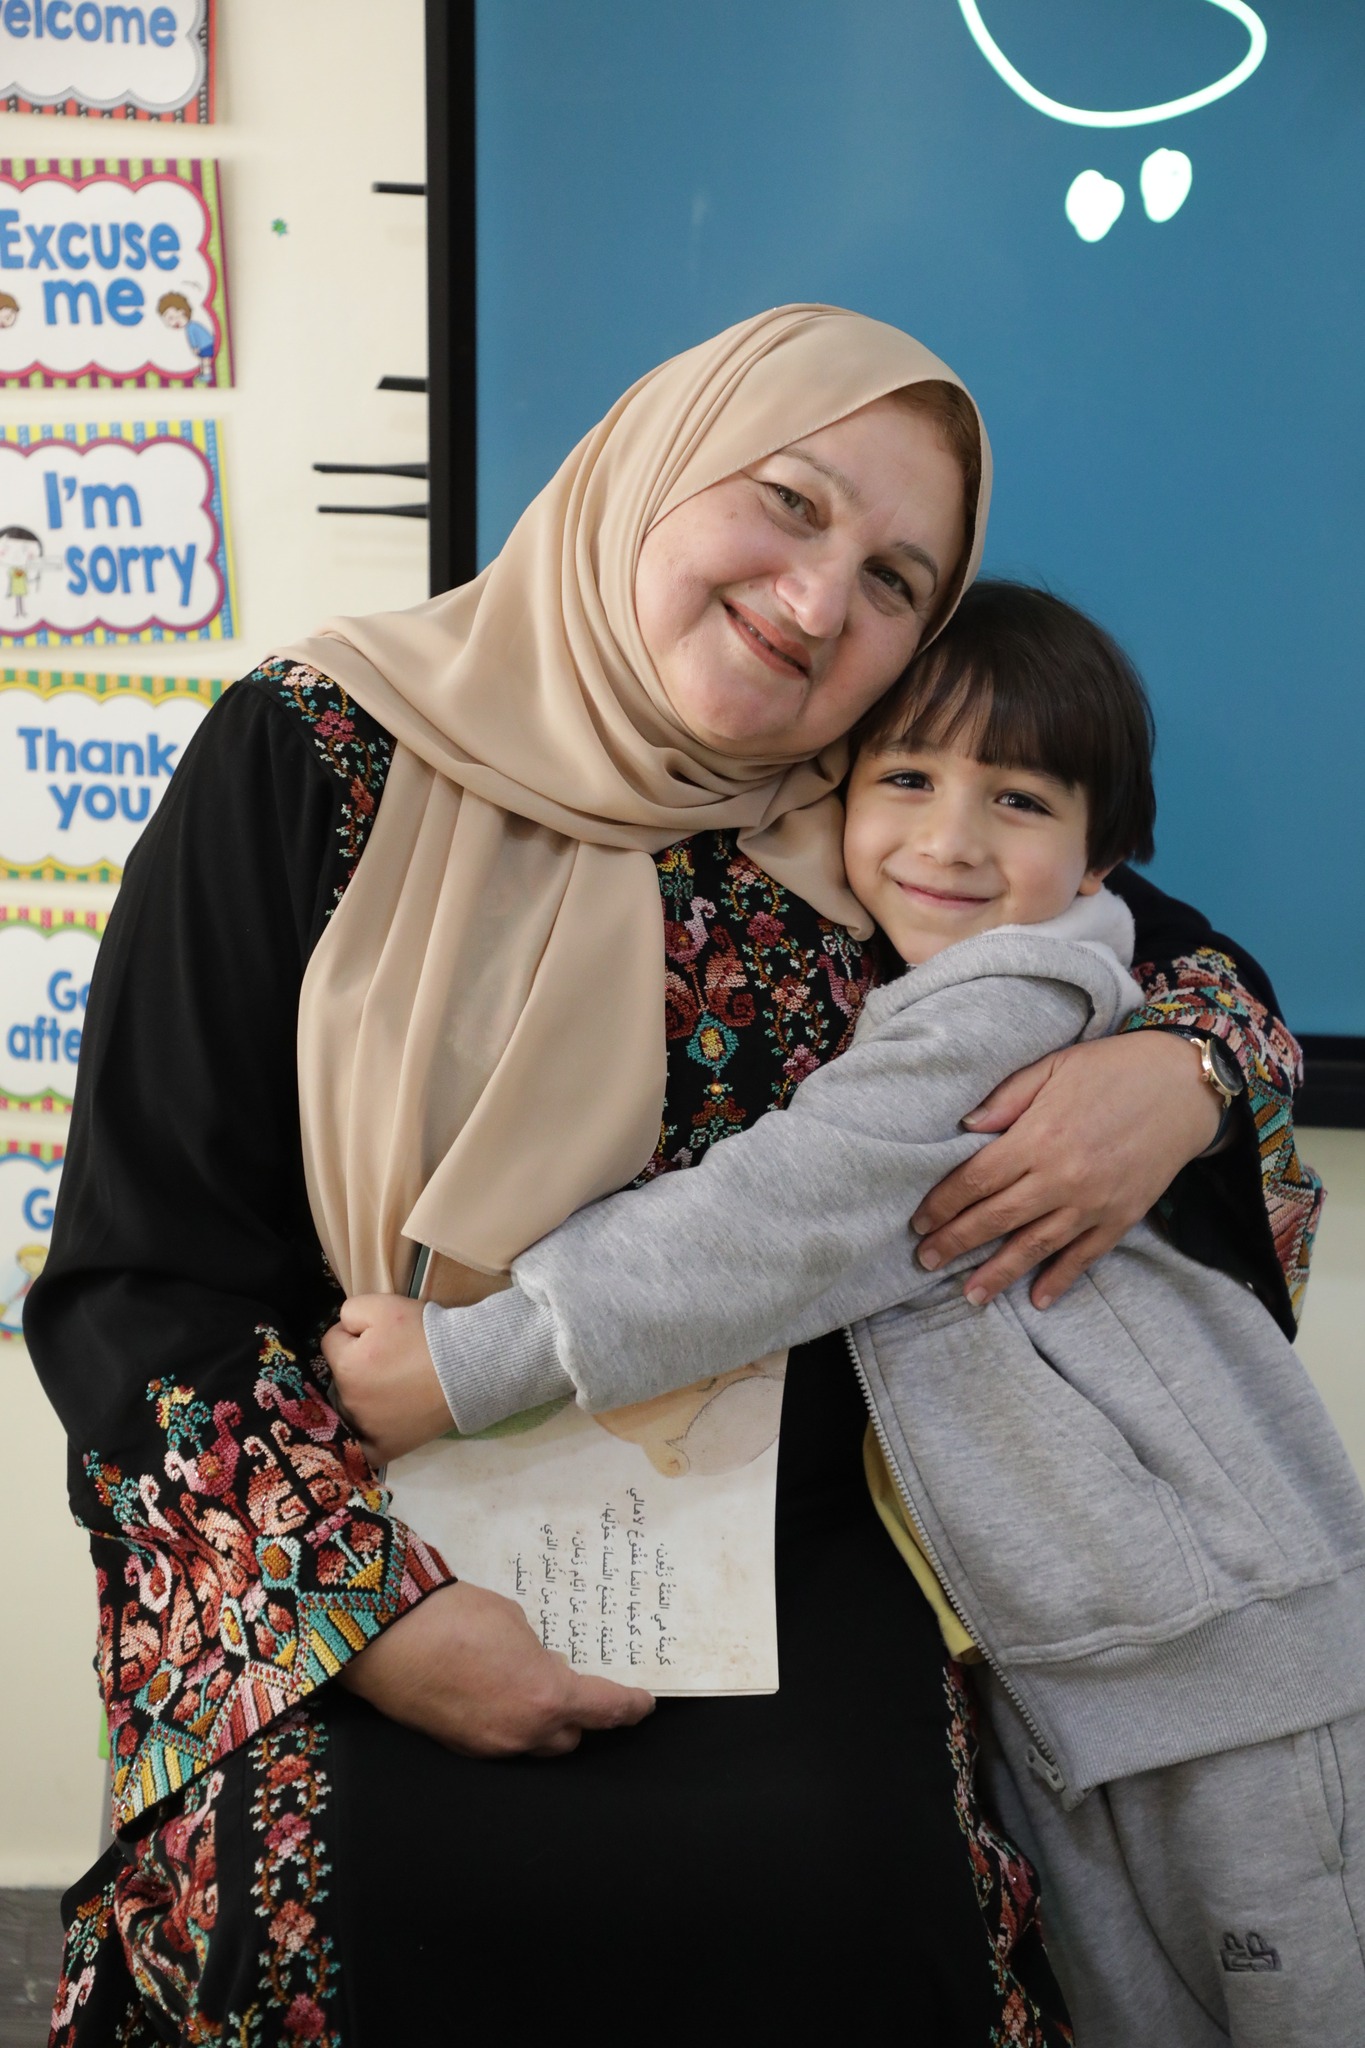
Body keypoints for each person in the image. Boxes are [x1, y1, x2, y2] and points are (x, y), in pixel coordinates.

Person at [27, 308, 1317, 2045]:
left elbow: (1181, 963)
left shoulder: (867, 810)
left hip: (795, 1566)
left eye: (893, 583)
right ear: (654, 465)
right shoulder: (313, 750)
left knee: (871, 1897)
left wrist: (1179, 1075)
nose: (817, 602)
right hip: (361, 1525)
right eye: (787, 503)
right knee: (337, 1909)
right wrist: (361, 1624)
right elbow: (141, 1281)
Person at [336, 580, 1355, 2046]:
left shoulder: (1011, 991)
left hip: (1215, 1650)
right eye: (906, 781)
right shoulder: (915, 969)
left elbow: (782, 1214)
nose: (950, 841)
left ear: (1102, 859)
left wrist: (471, 1360)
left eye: (1017, 800)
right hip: (1087, 1650)